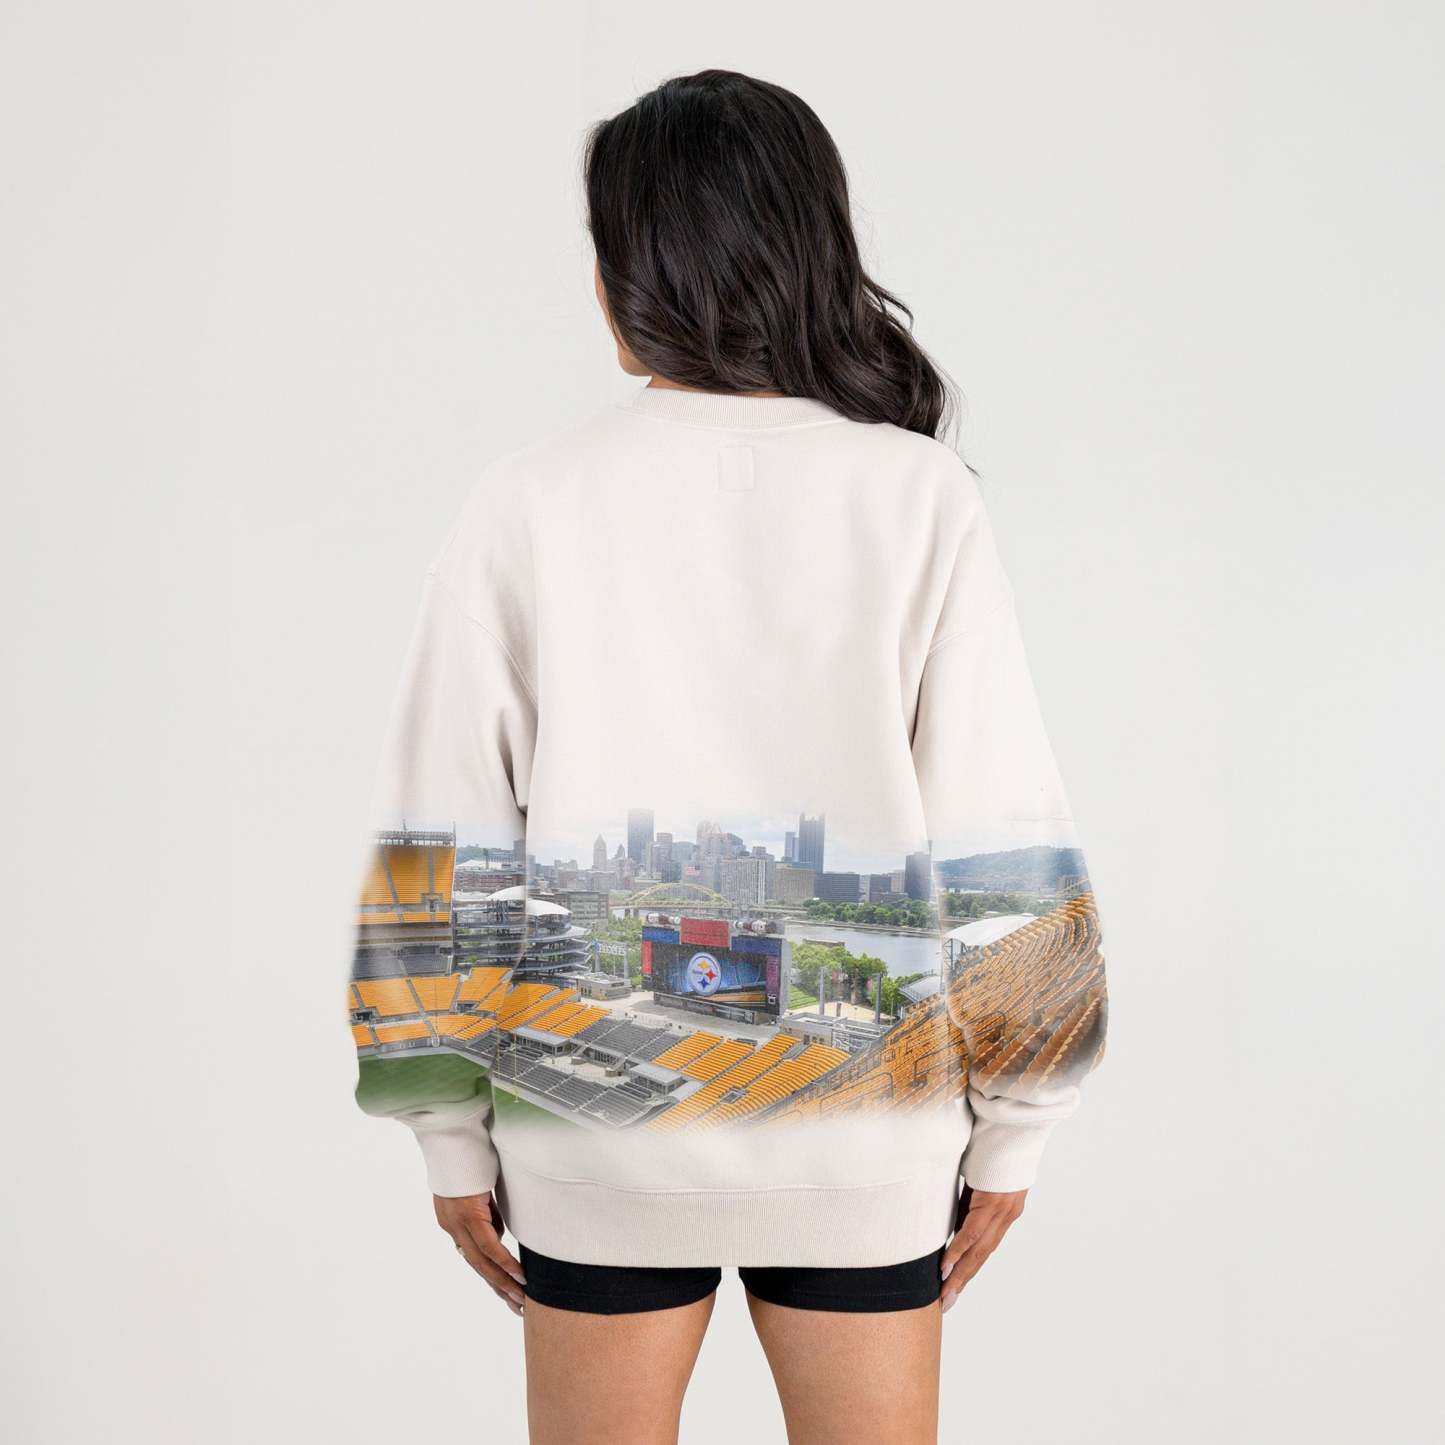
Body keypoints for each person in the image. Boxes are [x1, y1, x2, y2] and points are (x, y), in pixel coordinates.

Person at [344, 68, 1108, 1445]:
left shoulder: (530, 502)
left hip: (595, 1133)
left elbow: (443, 839)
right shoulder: (917, 496)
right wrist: (1019, 1120)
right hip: (862, 1131)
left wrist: (444, 1123)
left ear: (624, 274)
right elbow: (1004, 827)